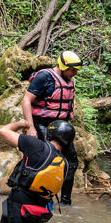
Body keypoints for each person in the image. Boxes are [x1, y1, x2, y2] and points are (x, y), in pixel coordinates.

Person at [0, 119, 75, 223]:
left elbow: (2, 131)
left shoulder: (36, 145)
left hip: (19, 208)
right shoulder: (65, 163)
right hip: (39, 214)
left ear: (50, 134)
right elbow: (33, 167)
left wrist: (22, 124)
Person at [21, 50, 83, 205]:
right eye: (72, 70)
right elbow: (26, 100)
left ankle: (65, 201)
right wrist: (30, 127)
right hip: (42, 124)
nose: (74, 73)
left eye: (76, 70)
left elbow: (67, 99)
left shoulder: (68, 80)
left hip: (61, 128)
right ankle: (39, 197)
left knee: (72, 162)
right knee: (46, 160)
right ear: (63, 66)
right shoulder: (45, 77)